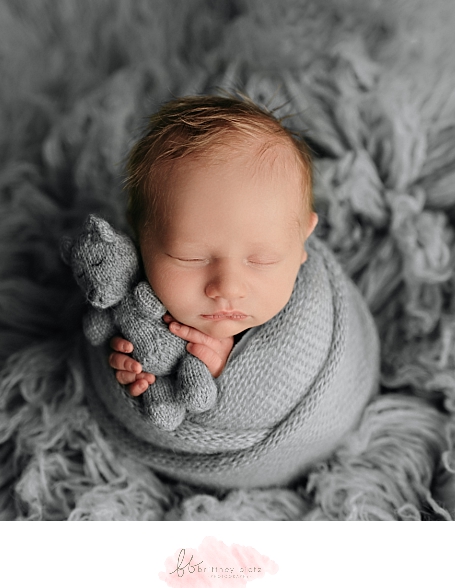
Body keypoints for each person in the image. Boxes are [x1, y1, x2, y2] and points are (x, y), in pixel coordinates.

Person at [108, 93, 319, 396]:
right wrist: (126, 366)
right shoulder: (125, 295)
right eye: (190, 257)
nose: (228, 288)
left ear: (303, 240)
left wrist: (231, 373)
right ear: (140, 234)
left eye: (262, 259)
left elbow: (319, 388)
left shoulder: (311, 318)